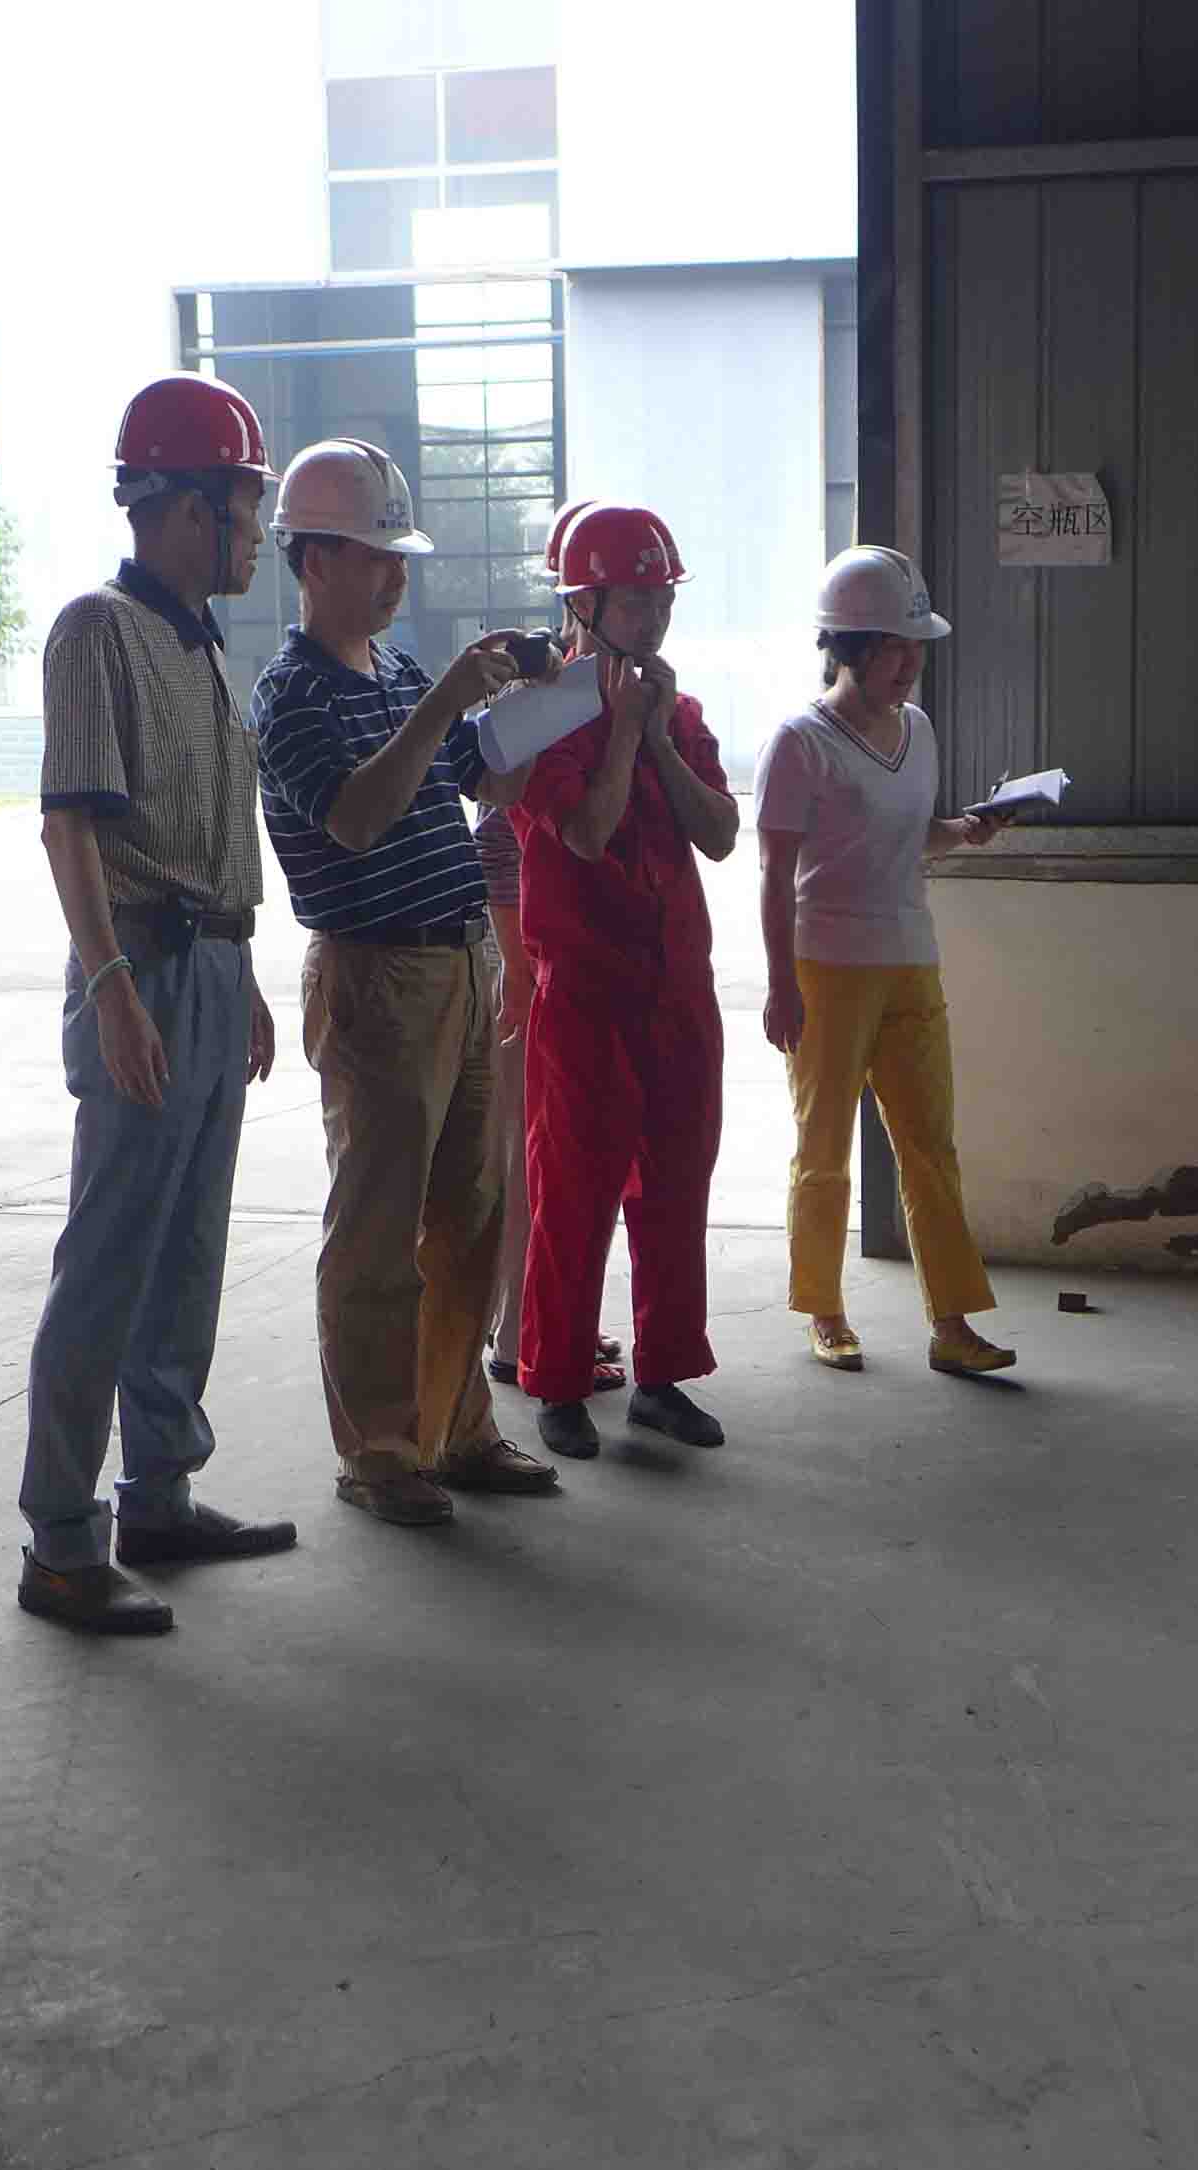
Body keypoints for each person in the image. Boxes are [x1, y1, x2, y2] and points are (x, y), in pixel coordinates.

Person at [15, 374, 294, 1637]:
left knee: (187, 1250)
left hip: (211, 969)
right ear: (186, 507)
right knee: (111, 1258)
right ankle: (61, 1539)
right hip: (138, 968)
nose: (256, 532)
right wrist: (112, 985)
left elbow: (210, 833)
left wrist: (242, 972)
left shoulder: (202, 642)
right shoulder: (99, 631)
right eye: (247, 504)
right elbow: (70, 826)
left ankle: (161, 1496)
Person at [251, 437, 560, 1527]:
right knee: (378, 1229)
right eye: (376, 555)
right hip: (375, 974)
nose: (394, 576)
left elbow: (490, 782)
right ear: (313, 559)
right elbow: (356, 818)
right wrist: (444, 708)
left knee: (469, 1216)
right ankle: (379, 1452)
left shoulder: (398, 670)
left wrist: (545, 701)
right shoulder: (289, 694)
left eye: (397, 557)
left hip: (460, 959)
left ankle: (452, 1428)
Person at [504, 503, 741, 1458]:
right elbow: (588, 834)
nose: (655, 619)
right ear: (583, 603)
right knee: (573, 1193)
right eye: (637, 602)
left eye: (662, 599)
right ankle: (557, 1382)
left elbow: (720, 835)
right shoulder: (537, 719)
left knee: (678, 1185)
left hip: (679, 988)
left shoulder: (679, 715)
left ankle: (664, 1377)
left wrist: (657, 740)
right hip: (585, 994)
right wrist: (621, 733)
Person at [752, 545, 1015, 1377]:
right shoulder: (799, 742)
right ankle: (824, 1311)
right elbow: (775, 874)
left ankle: (953, 1324)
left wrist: (964, 831)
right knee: (824, 1148)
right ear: (849, 647)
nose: (910, 665)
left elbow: (909, 839)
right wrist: (779, 985)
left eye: (915, 649)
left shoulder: (919, 730)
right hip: (825, 967)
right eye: (895, 649)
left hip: (911, 959)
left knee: (931, 1147)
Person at [476, 501, 621, 1401]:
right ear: (580, 605)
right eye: (628, 597)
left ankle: (551, 1322)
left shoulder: (614, 694)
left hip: (582, 969)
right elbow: (495, 839)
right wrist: (521, 970)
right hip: (534, 970)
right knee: (533, 1166)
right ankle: (514, 1337)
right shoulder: (549, 699)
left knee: (573, 1166)